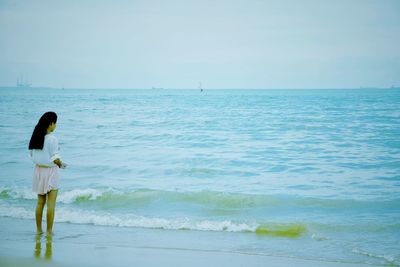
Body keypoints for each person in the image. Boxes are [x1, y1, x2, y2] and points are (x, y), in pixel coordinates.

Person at [29, 111, 67, 236]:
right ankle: (49, 232)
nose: (55, 126)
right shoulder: (52, 138)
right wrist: (61, 164)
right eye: (55, 123)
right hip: (51, 171)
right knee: (51, 204)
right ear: (51, 123)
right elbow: (54, 158)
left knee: (40, 203)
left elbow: (32, 156)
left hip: (38, 170)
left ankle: (39, 230)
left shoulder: (36, 137)